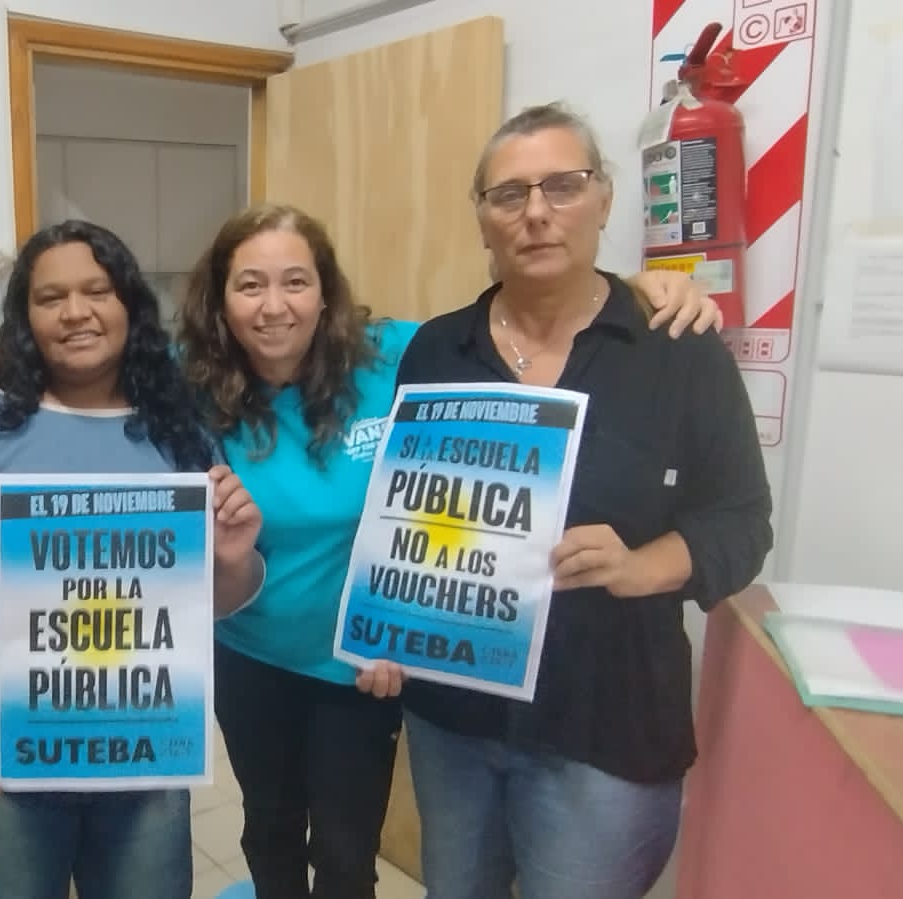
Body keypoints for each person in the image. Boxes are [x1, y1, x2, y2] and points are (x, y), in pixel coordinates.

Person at [170, 202, 721, 899]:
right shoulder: (192, 379)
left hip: (361, 665)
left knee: (344, 851)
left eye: (296, 282)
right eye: (249, 284)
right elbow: (96, 354)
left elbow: (513, 329)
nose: (273, 306)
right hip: (250, 651)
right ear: (221, 299)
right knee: (269, 829)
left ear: (326, 292)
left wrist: (633, 291)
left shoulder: (396, 354)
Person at [372, 102, 771, 899]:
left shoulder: (675, 347)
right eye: (508, 194)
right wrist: (387, 619)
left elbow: (740, 521)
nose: (536, 212)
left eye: (562, 185)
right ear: (482, 220)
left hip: (604, 724)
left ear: (603, 198)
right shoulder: (436, 350)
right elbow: (409, 516)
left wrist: (640, 566)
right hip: (454, 717)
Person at [0, 219, 265, 899]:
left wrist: (230, 560)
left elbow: (210, 600)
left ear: (129, 305)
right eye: (50, 298)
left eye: (97, 291)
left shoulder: (180, 434)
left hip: (144, 759)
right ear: (25, 319)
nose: (76, 311)